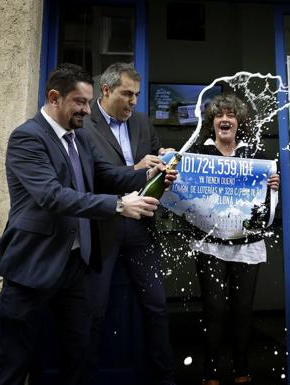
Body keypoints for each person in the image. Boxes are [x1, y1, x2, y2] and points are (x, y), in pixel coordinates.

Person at [0, 63, 174, 385]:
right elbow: (54, 196)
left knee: (80, 354)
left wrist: (148, 175)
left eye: (89, 103)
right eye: (80, 102)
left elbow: (107, 174)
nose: (87, 111)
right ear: (54, 98)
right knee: (14, 364)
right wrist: (118, 205)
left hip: (76, 266)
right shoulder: (27, 138)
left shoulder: (80, 137)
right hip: (32, 265)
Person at [82, 62, 176, 385]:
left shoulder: (142, 123)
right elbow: (96, 175)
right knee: (94, 312)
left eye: (136, 94)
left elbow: (154, 164)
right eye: (126, 94)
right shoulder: (85, 124)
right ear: (106, 91)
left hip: (140, 228)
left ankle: (164, 379)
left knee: (157, 307)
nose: (133, 101)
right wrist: (139, 169)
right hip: (103, 226)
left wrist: (165, 166)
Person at [189, 94, 280, 385]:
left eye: (230, 115)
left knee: (243, 310)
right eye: (219, 116)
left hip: (247, 246)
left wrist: (274, 185)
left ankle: (242, 371)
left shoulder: (254, 154)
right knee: (213, 309)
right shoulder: (199, 154)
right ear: (212, 122)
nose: (224, 120)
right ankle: (210, 372)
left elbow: (266, 199)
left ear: (239, 122)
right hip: (210, 244)